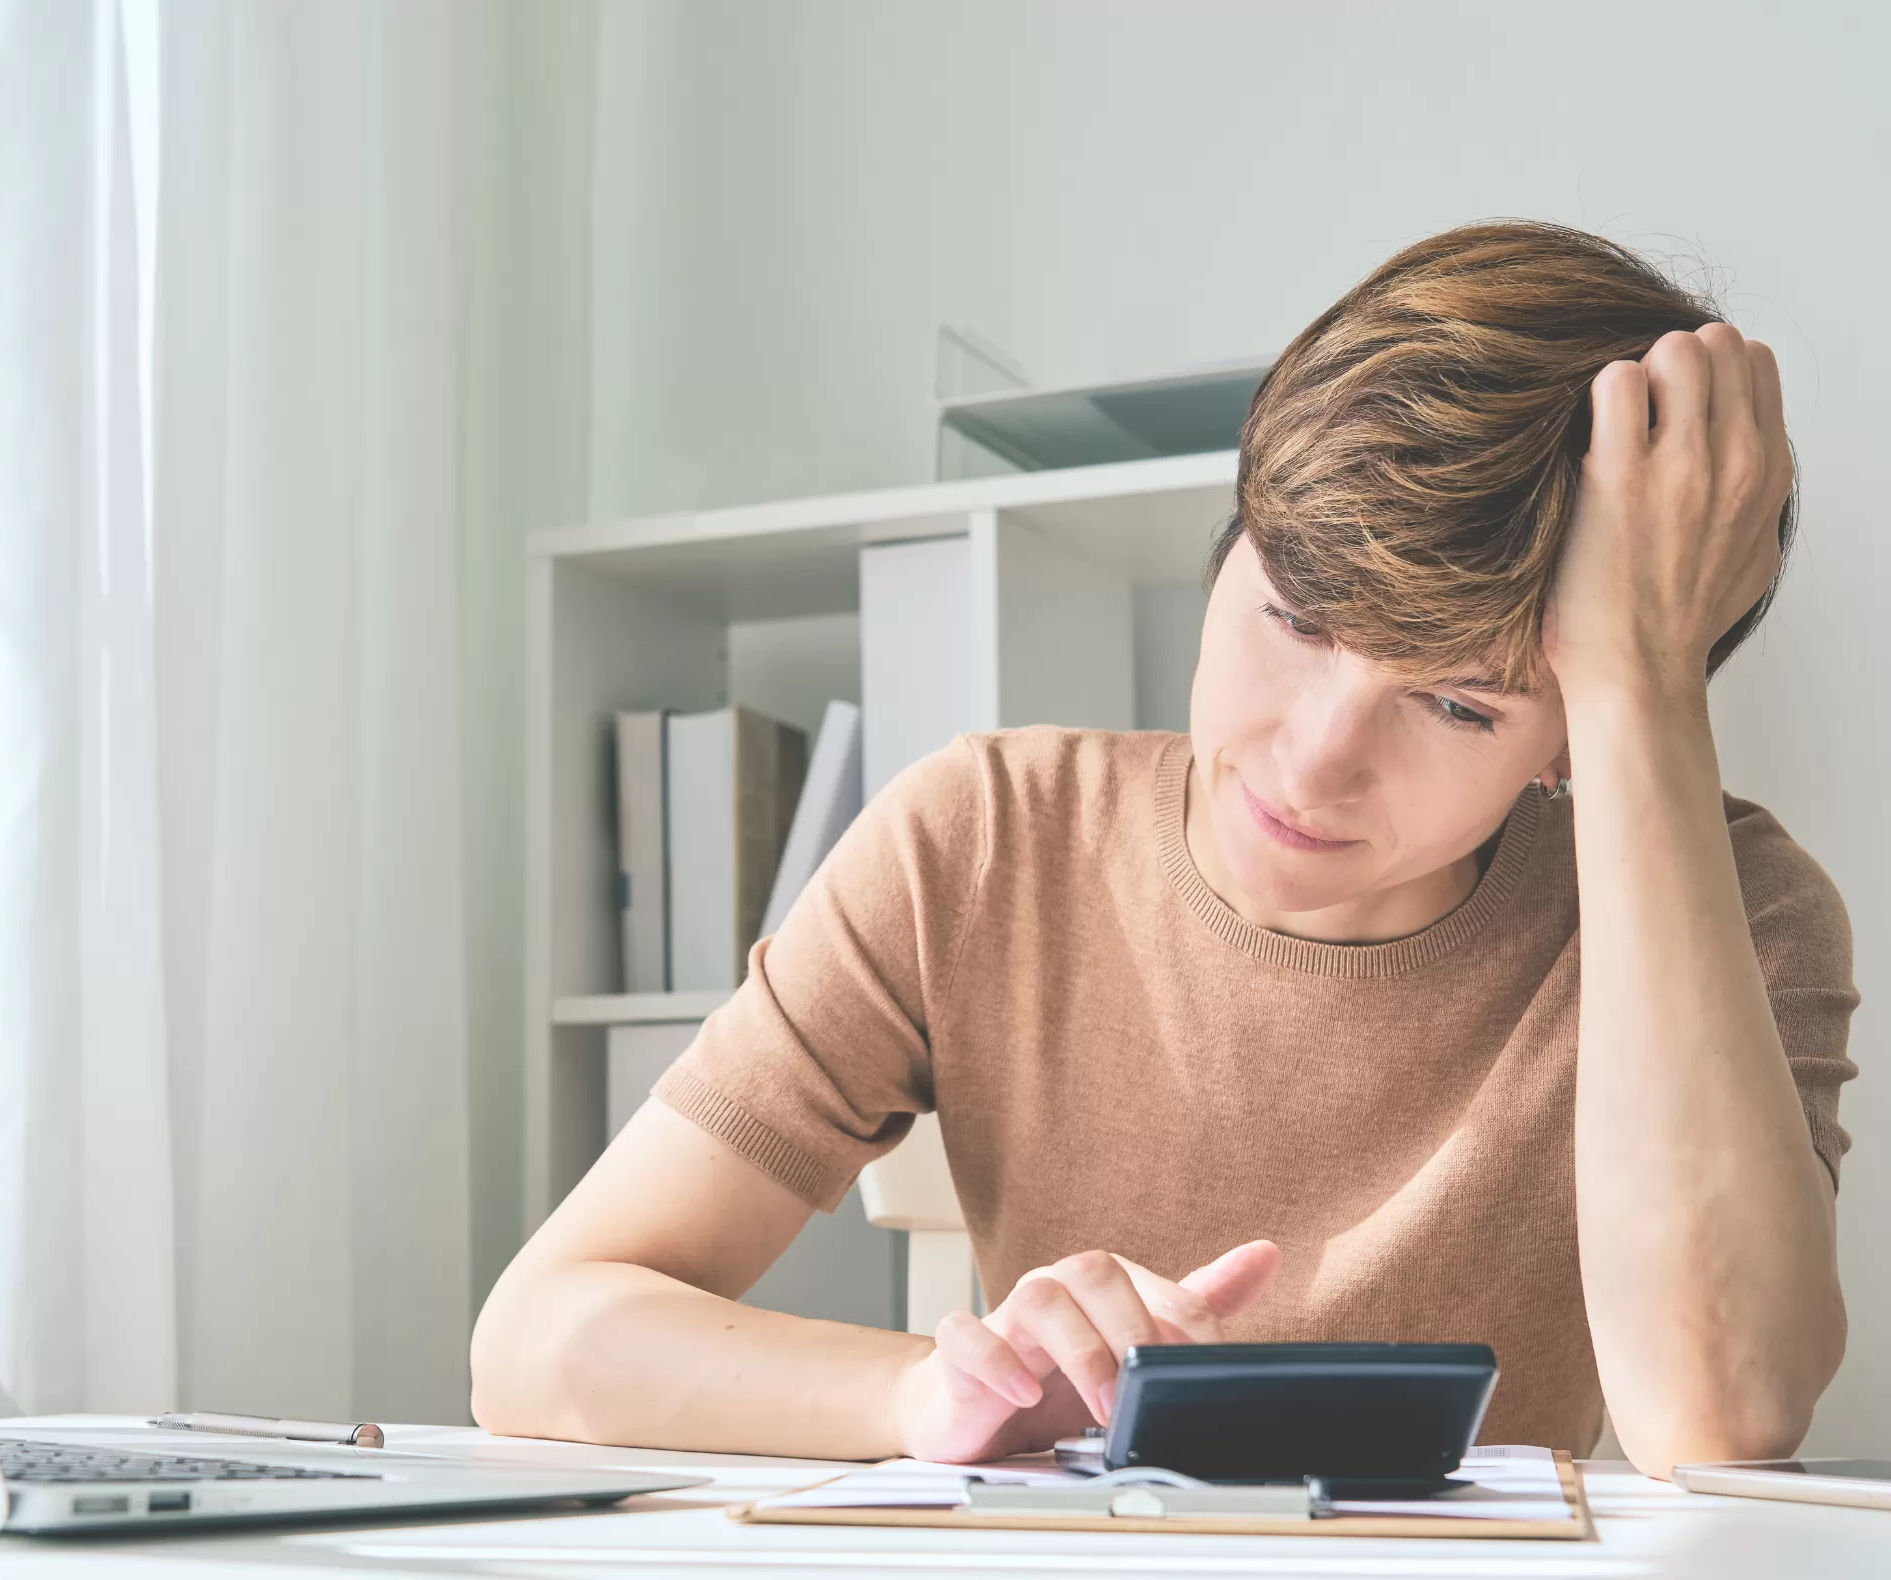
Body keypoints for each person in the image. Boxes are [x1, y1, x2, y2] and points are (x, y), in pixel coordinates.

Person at [471, 220, 1856, 1480]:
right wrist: (931, 1397)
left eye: (1454, 702)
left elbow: (1715, 1413)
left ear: (1568, 735)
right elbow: (537, 1343)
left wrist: (1641, 684)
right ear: (1229, 543)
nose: (1315, 756)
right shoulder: (984, 838)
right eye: (1296, 616)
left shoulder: (1727, 908)